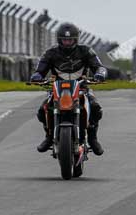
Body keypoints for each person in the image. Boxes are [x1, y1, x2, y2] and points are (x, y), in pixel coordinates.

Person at [30, 22, 107, 155]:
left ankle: (93, 139)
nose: (67, 42)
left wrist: (100, 74)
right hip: (57, 89)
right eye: (64, 40)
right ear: (59, 40)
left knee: (95, 107)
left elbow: (99, 66)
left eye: (70, 40)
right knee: (43, 110)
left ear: (76, 39)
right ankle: (49, 136)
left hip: (82, 88)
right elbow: (40, 70)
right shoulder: (50, 53)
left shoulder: (86, 51)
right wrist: (36, 76)